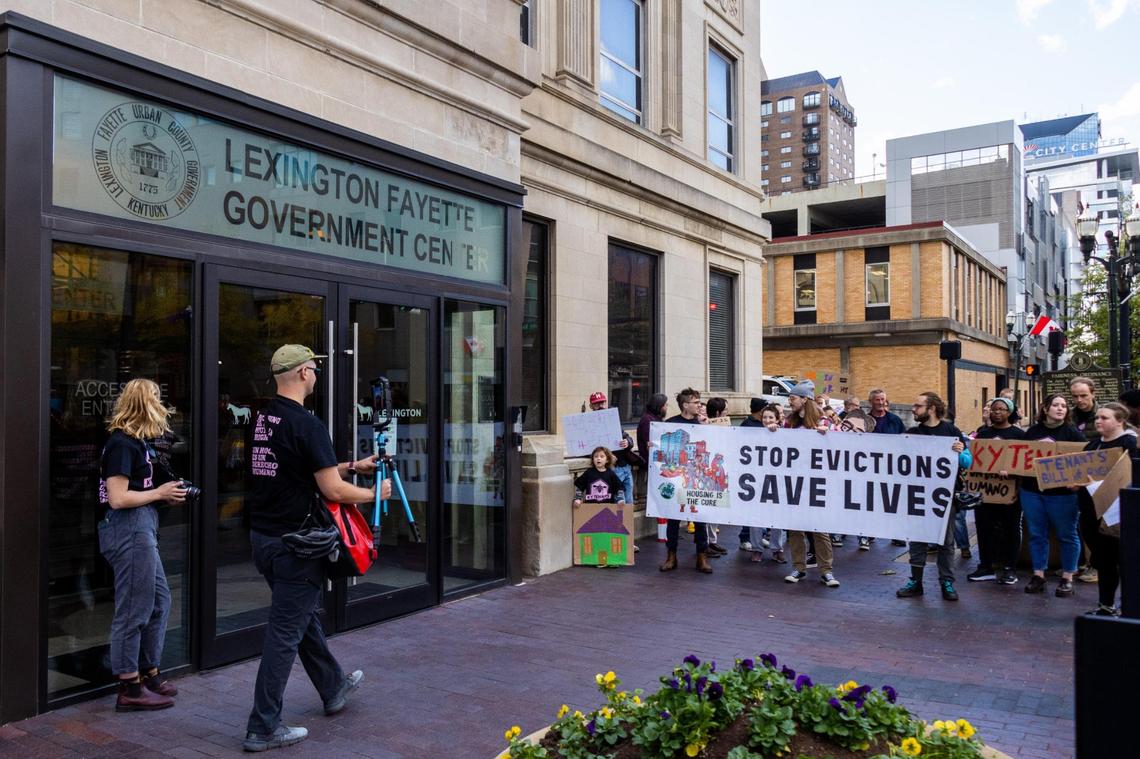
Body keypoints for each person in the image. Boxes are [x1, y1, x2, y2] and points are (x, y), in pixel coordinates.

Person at [242, 345, 391, 752]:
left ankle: (332, 684)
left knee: (300, 617)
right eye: (315, 369)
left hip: (265, 539)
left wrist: (348, 466)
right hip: (298, 545)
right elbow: (331, 490)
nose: (316, 375)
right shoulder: (307, 424)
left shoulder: (261, 419)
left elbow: (295, 468)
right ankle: (263, 726)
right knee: (284, 633)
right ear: (305, 373)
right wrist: (374, 491)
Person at [98, 379, 188, 712]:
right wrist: (160, 494)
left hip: (141, 525)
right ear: (145, 404)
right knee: (134, 608)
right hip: (128, 528)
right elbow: (118, 498)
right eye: (157, 399)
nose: (162, 406)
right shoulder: (123, 444)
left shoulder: (138, 443)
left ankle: (149, 671)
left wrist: (166, 491)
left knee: (158, 601)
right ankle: (129, 685)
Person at [896, 392, 968, 602]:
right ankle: (916, 581)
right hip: (918, 495)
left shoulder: (951, 431)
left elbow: (967, 462)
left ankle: (947, 582)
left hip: (943, 496)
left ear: (932, 409)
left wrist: (961, 452)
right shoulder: (912, 432)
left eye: (918, 406)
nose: (913, 409)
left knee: (945, 542)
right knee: (917, 540)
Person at [1020, 394, 1085, 597]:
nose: (1060, 409)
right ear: (1045, 408)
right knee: (1037, 534)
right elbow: (1020, 457)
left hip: (1062, 495)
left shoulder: (1073, 434)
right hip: (1032, 491)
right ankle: (1038, 574)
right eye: (1055, 405)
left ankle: (1067, 577)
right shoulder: (1032, 432)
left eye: (1064, 406)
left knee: (1067, 534)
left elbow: (1084, 460)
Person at [1078, 402, 1137, 616]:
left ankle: (1129, 607)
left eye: (1104, 418)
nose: (1098, 421)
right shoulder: (1092, 446)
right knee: (1104, 561)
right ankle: (1106, 605)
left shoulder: (1130, 444)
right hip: (1092, 513)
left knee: (1120, 561)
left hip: (1118, 515)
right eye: (1097, 418)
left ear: (1120, 420)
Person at [782, 380, 839, 587]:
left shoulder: (825, 422)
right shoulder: (788, 422)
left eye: (793, 398)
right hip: (794, 482)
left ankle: (827, 570)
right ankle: (799, 567)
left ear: (804, 399)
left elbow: (843, 445)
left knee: (819, 529)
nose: (790, 402)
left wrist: (828, 436)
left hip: (816, 484)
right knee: (795, 528)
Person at [968, 397, 1026, 586]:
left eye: (1001, 409)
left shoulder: (1019, 435)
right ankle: (986, 566)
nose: (997, 412)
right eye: (994, 409)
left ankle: (1010, 568)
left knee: (1011, 530)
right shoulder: (983, 433)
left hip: (1010, 492)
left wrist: (1015, 478)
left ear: (1009, 413)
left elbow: (1024, 463)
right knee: (984, 529)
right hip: (986, 492)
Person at [659, 388, 712, 574]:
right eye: (696, 402)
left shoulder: (702, 423)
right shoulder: (671, 424)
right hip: (677, 477)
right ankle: (671, 556)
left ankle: (702, 557)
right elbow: (663, 446)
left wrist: (707, 428)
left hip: (697, 477)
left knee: (700, 518)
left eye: (699, 402)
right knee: (673, 518)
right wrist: (654, 444)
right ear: (685, 405)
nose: (699, 405)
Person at [1069, 377, 1101, 584]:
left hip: (1097, 478)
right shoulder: (1069, 416)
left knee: (1095, 524)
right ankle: (1078, 562)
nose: (1079, 400)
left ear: (1093, 394)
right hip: (1073, 476)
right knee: (1076, 522)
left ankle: (1096, 565)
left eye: (1083, 396)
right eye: (1075, 396)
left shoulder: (1103, 416)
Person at [587, 391, 636, 507]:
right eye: (596, 404)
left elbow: (628, 438)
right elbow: (588, 450)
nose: (600, 406)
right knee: (619, 503)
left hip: (625, 466)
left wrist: (627, 442)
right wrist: (608, 457)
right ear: (591, 406)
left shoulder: (612, 419)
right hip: (613, 469)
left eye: (602, 403)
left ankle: (626, 524)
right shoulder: (589, 425)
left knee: (629, 502)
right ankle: (620, 524)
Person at [737, 398, 768, 551]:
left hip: (763, 470)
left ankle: (759, 536)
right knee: (750, 506)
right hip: (750, 472)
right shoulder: (747, 425)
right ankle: (745, 537)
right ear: (760, 410)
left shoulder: (765, 424)